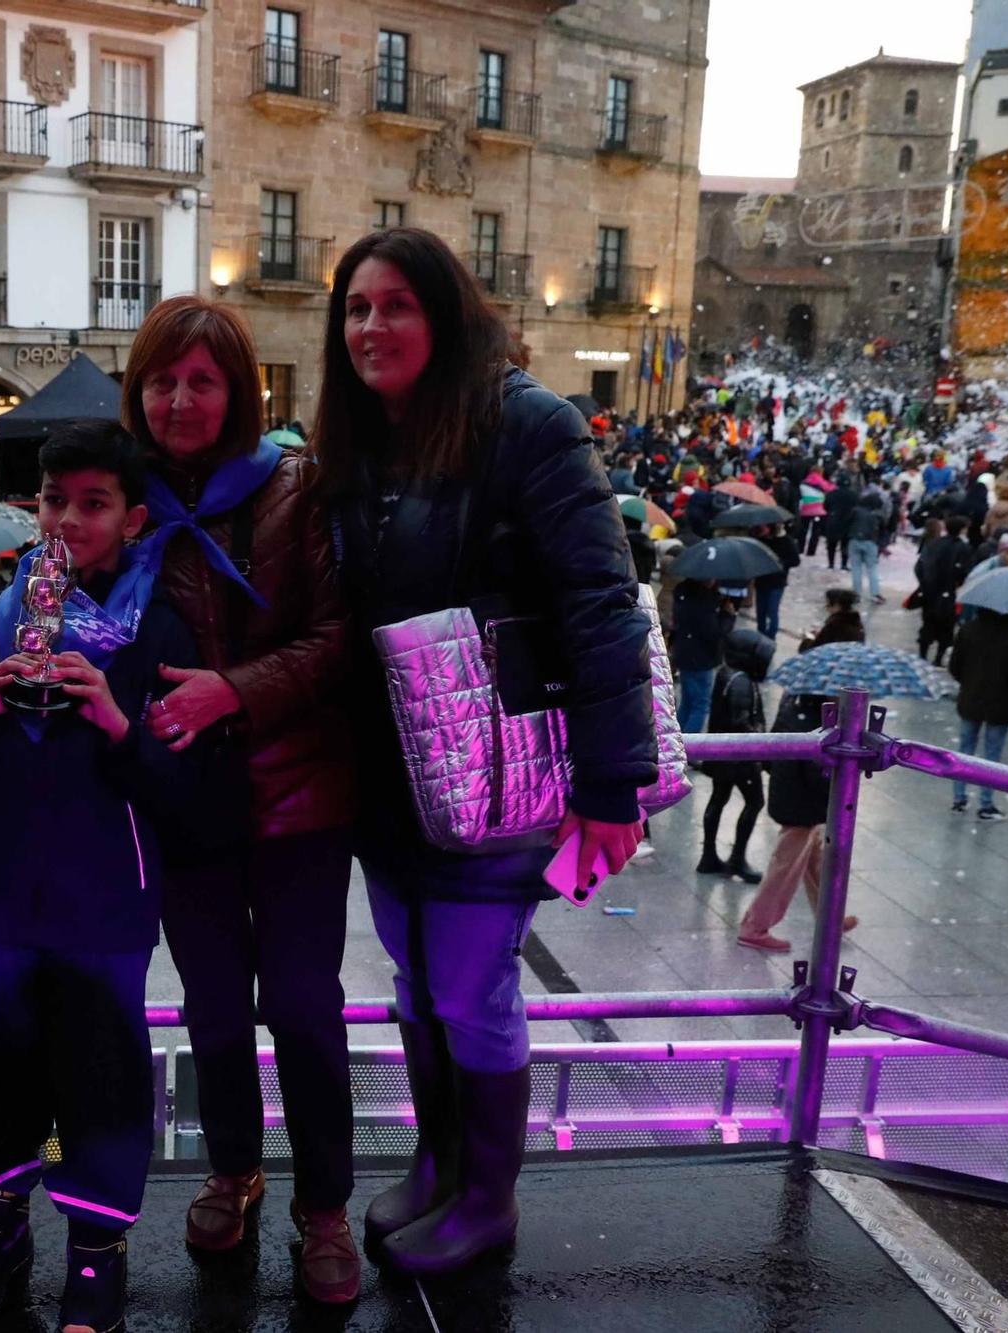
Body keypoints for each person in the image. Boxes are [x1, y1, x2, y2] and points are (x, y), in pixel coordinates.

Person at [0, 297, 364, 1304]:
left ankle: (325, 1210)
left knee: (302, 1004)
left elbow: (340, 633)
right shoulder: (123, 499)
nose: (179, 400)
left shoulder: (293, 485)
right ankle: (232, 1169)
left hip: (292, 781)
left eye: (202, 381)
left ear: (238, 391)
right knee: (213, 1005)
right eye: (162, 380)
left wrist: (238, 687)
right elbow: (57, 598)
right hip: (176, 796)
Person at [313, 229, 656, 1277]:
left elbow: (601, 603)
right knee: (415, 981)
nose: (371, 326)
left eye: (395, 305)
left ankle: (487, 1199)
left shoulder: (526, 424)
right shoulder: (358, 439)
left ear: (446, 314)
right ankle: (439, 1160)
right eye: (356, 308)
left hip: (495, 766)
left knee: (467, 984)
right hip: (389, 770)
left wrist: (610, 781)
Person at [0, 420, 203, 1332]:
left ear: (132, 518)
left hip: (101, 900)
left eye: (93, 504)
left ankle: (95, 1252)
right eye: (53, 500)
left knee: (102, 1076)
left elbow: (180, 789)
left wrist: (119, 721)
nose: (68, 520)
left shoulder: (159, 629)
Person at [739, 604, 864, 952]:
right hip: (804, 785)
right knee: (788, 861)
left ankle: (831, 915)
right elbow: (819, 741)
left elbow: (788, 727)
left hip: (793, 777)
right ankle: (755, 925)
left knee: (814, 857)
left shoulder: (809, 672)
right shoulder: (826, 689)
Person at [696, 629, 774, 883]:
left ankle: (709, 856)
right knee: (755, 802)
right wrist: (761, 743)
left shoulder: (728, 674)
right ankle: (737, 859)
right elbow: (742, 723)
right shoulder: (740, 682)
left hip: (722, 753)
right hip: (740, 757)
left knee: (719, 798)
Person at [949, 607, 1008, 821]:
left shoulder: (968, 630)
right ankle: (986, 803)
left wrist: (970, 682)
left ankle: (959, 798)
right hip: (1001, 703)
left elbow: (955, 666)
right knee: (992, 756)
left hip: (971, 699)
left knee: (965, 749)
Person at [670, 578, 729, 735]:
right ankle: (689, 748)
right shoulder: (703, 602)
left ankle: (677, 739)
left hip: (684, 654)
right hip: (700, 659)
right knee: (700, 705)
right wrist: (727, 616)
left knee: (688, 701)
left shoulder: (684, 593)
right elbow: (713, 634)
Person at [914, 514, 970, 665]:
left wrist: (924, 583)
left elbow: (920, 565)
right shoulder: (962, 548)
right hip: (949, 592)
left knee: (928, 622)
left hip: (930, 590)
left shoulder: (934, 543)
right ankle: (938, 657)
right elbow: (964, 571)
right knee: (946, 626)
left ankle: (922, 654)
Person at [753, 522, 799, 640]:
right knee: (760, 612)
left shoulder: (786, 540)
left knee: (772, 612)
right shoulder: (760, 540)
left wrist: (781, 563)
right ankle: (760, 635)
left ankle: (770, 638)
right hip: (761, 580)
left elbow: (795, 560)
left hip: (777, 582)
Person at [847, 488, 886, 605]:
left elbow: (847, 522)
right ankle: (875, 593)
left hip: (854, 540)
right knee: (872, 569)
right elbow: (884, 529)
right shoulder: (878, 514)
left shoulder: (855, 511)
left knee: (856, 569)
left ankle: (856, 594)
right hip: (871, 542)